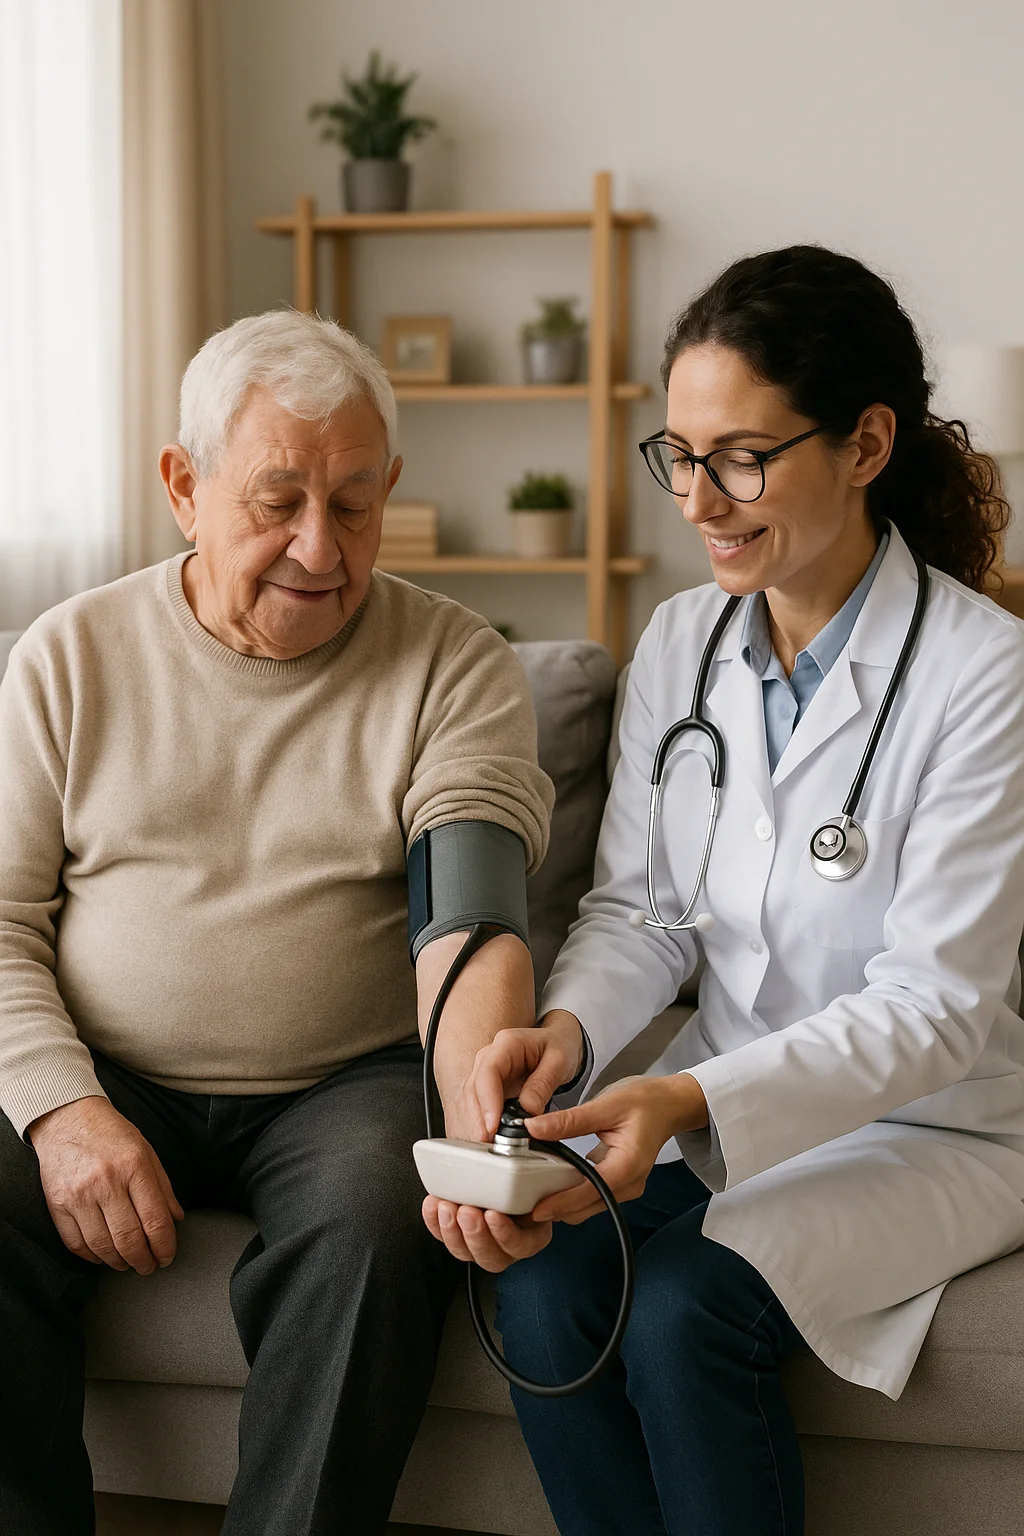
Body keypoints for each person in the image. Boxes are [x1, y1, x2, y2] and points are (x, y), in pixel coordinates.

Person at [423, 246, 1024, 1535]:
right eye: (680, 454)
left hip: (936, 1122)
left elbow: (934, 1007)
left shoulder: (986, 677)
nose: (699, 499)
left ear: (866, 443)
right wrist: (571, 1038)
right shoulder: (684, 642)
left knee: (688, 1311)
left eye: (742, 455)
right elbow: (639, 909)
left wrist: (685, 1094)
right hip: (727, 1085)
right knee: (537, 1293)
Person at [0, 310, 554, 1535]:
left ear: (392, 487)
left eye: (355, 504)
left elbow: (463, 909)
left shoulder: (453, 664)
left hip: (338, 1086)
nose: (320, 546)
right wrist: (62, 1105)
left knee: (374, 1224)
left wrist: (479, 1120)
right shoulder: (67, 660)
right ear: (183, 487)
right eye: (277, 500)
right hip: (109, 1071)